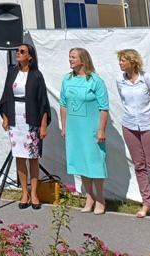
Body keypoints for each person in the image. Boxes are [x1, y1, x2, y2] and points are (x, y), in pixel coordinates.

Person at [0, 42, 50, 209]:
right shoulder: (12, 72)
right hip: (16, 120)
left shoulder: (36, 75)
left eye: (22, 51)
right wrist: (5, 117)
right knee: (19, 157)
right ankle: (24, 193)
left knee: (33, 158)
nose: (18, 53)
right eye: (17, 51)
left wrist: (43, 125)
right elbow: (6, 96)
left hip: (32, 120)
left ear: (30, 57)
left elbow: (43, 102)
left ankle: (34, 193)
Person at [115, 48, 150, 221]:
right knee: (139, 165)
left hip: (149, 124)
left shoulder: (147, 78)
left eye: (123, 60)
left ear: (133, 62)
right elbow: (123, 100)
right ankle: (146, 202)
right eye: (120, 60)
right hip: (129, 125)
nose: (120, 63)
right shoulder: (120, 80)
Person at [59, 47, 109, 214]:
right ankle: (89, 196)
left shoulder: (95, 80)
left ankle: (100, 197)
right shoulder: (67, 79)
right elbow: (63, 104)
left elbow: (104, 107)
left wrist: (101, 130)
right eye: (69, 56)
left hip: (91, 129)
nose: (70, 59)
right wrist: (64, 126)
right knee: (80, 162)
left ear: (83, 59)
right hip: (74, 129)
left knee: (95, 161)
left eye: (73, 57)